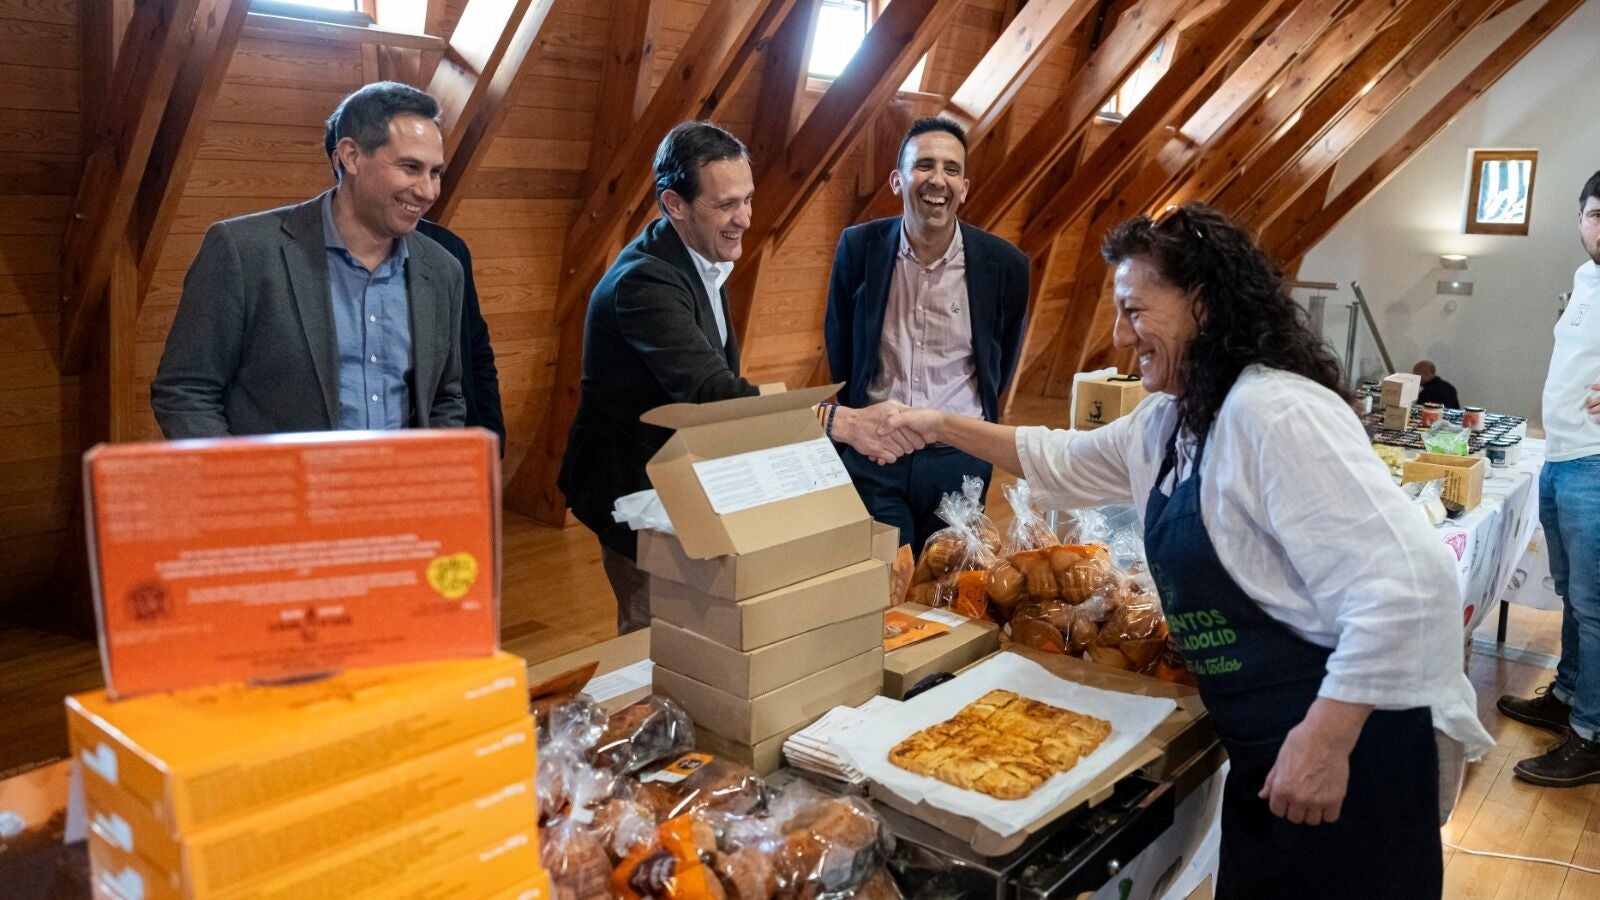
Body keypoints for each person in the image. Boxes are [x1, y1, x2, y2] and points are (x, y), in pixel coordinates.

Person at [882, 203, 1492, 899]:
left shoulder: (1275, 413)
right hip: (1266, 753)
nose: (1120, 335)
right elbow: (1058, 457)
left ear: (1203, 305)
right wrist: (934, 424)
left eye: (1134, 310)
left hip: (1350, 760)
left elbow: (1411, 584)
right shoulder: (1169, 422)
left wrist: (1325, 742)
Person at [559, 121, 905, 633]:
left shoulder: (699, 251)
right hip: (634, 486)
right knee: (655, 639)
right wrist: (841, 423)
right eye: (726, 205)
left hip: (680, 476)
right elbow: (713, 393)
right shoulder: (644, 283)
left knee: (701, 630)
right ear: (674, 204)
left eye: (747, 199)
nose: (744, 218)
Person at [152, 81, 465, 438]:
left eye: (435, 172)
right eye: (410, 167)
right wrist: (241, 473)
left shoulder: (443, 269)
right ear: (350, 156)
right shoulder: (244, 251)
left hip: (401, 475)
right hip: (277, 475)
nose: (427, 191)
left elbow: (445, 398)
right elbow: (185, 393)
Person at [823, 116, 1029, 553]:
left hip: (959, 457)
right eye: (924, 165)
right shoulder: (858, 249)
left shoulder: (1005, 266)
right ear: (897, 180)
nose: (938, 179)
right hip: (877, 455)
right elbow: (841, 349)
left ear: (964, 188)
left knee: (950, 587)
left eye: (951, 169)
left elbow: (1000, 361)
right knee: (882, 582)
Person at [1500, 170, 1600, 786]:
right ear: (1580, 219)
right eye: (1597, 214)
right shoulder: (1586, 278)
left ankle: (1592, 735)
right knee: (1575, 596)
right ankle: (1567, 696)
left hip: (1596, 463)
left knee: (1597, 606)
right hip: (1562, 457)